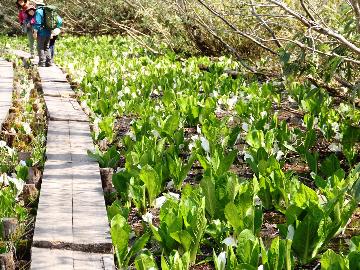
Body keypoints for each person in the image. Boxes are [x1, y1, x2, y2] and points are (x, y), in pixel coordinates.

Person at [32, 0, 62, 67]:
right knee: (47, 47)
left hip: (41, 33)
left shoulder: (38, 11)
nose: (33, 4)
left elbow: (38, 23)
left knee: (40, 47)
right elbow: (58, 20)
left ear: (36, 3)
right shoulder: (48, 10)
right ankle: (49, 62)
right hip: (48, 32)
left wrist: (35, 32)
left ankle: (42, 63)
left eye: (33, 3)